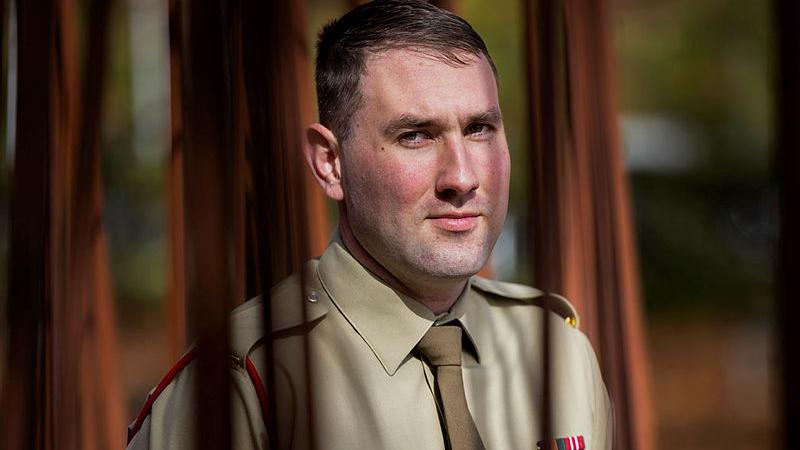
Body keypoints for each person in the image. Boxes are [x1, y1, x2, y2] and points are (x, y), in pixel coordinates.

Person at [126, 1, 612, 449]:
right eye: (416, 136)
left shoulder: (557, 351)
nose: (462, 178)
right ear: (330, 163)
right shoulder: (247, 380)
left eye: (478, 129)